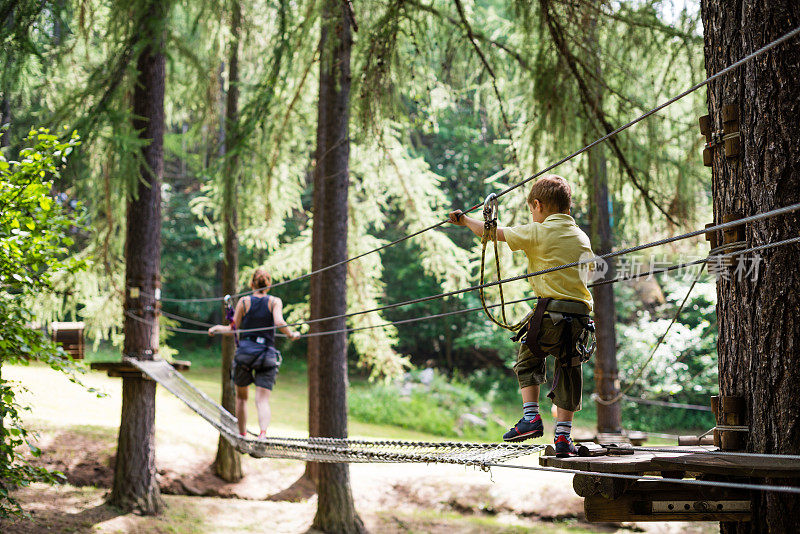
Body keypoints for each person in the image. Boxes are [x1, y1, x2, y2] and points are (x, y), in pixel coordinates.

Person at [449, 175, 595, 457]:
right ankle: (564, 438)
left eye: (531, 210)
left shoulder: (537, 232)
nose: (532, 215)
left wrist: (466, 221)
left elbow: (492, 233)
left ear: (538, 205)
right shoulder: (580, 236)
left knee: (528, 358)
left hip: (550, 314)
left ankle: (531, 418)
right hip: (580, 320)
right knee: (569, 370)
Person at [208, 268, 301, 439]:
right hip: (266, 355)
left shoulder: (244, 302)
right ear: (269, 285)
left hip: (245, 353)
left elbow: (232, 329)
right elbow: (279, 322)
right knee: (262, 400)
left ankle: (242, 435)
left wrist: (216, 329)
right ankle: (263, 434)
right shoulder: (274, 301)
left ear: (252, 284)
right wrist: (291, 334)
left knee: (242, 399)